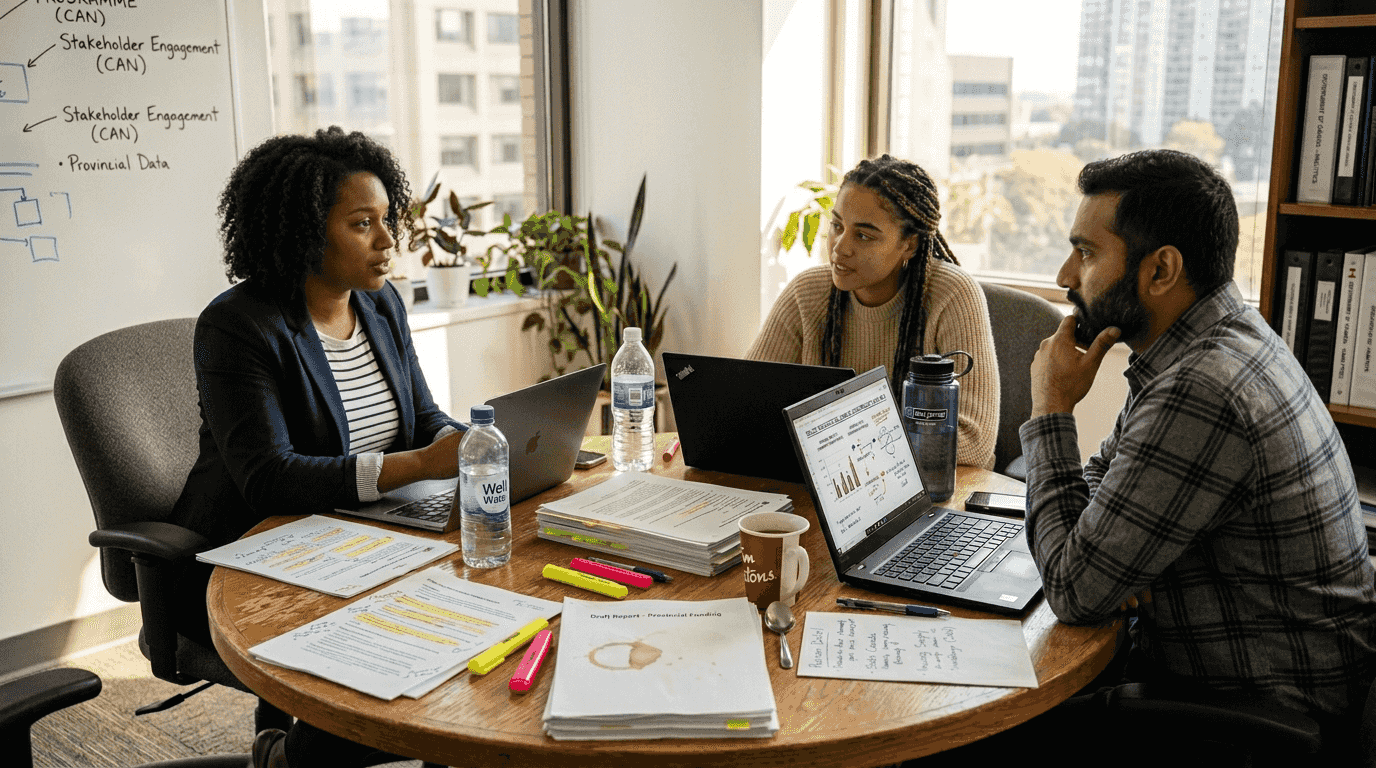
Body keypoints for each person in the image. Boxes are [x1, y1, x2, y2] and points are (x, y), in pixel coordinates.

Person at [1020, 149, 1376, 756]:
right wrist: (1110, 551)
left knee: (963, 735)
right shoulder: (1211, 341)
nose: (1064, 277)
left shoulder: (1203, 389)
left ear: (1161, 270)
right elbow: (1110, 481)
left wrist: (1052, 409)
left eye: (1086, 252)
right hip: (1248, 680)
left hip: (1250, 717)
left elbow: (1076, 590)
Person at [171, 126, 465, 768]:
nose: (389, 241)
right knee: (407, 643)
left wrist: (457, 442)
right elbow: (268, 478)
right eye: (364, 223)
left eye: (388, 218)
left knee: (471, 617)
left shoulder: (380, 303)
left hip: (363, 537)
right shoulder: (239, 326)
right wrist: (419, 465)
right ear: (302, 231)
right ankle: (288, 759)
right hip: (258, 549)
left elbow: (420, 416)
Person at [747, 154, 998, 469]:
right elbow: (745, 408)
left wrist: (831, 437)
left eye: (863, 235)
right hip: (836, 484)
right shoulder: (807, 292)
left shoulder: (952, 294)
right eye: (837, 226)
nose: (840, 247)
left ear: (908, 244)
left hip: (937, 491)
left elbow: (972, 444)